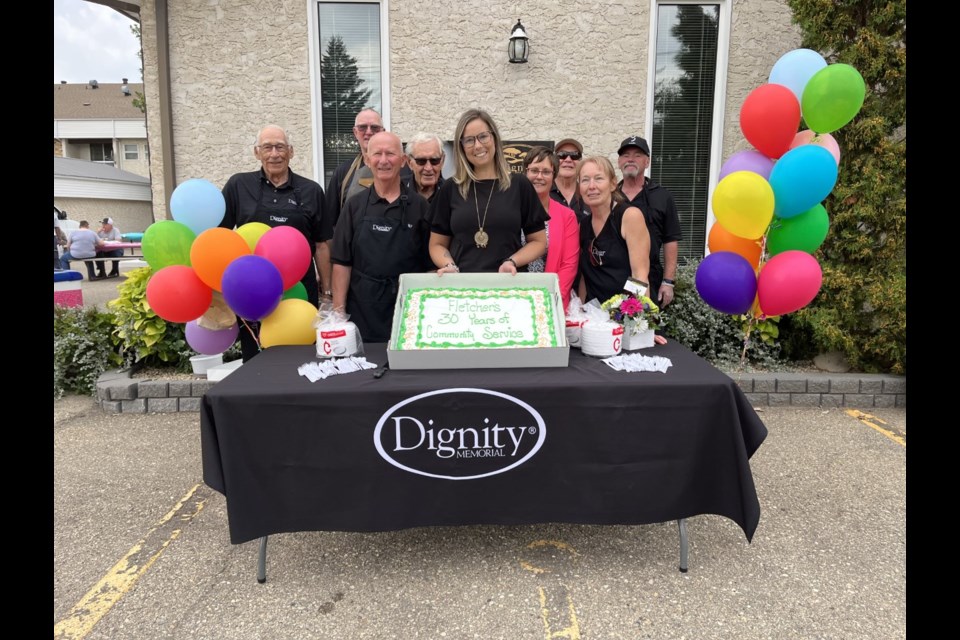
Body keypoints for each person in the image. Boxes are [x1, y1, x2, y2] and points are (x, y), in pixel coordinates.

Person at [221, 124, 333, 361]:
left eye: (280, 147)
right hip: (252, 291)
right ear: (256, 152)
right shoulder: (238, 186)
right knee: (255, 360)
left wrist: (328, 293)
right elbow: (222, 238)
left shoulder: (312, 190)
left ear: (291, 152)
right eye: (267, 147)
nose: (274, 154)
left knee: (302, 357)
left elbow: (322, 244)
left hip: (300, 290)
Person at [331, 132, 432, 342]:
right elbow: (342, 263)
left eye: (391, 154)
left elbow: (429, 266)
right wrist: (339, 315)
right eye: (377, 154)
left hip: (407, 311)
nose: (383, 160)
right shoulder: (354, 206)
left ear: (404, 161)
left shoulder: (420, 207)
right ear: (367, 160)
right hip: (362, 310)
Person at [429, 108, 547, 275]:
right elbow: (436, 244)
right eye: (469, 140)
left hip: (508, 286)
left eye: (483, 136)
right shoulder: (450, 188)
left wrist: (512, 261)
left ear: (494, 138)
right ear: (461, 147)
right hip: (463, 287)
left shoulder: (520, 185)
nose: (478, 145)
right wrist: (449, 265)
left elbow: (539, 242)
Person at [577, 156, 665, 342]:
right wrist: (579, 313)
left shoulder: (628, 216)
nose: (591, 186)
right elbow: (586, 276)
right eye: (585, 180)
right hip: (595, 323)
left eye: (598, 178)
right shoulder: (583, 225)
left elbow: (640, 274)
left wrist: (639, 324)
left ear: (612, 184)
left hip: (623, 320)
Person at [615, 136, 682, 307]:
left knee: (644, 327)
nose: (630, 159)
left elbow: (670, 240)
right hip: (612, 276)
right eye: (625, 155)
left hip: (649, 277)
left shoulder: (662, 197)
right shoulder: (610, 196)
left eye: (637, 155)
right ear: (619, 162)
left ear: (647, 161)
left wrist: (668, 281)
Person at [325, 109, 413, 227]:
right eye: (362, 127)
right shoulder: (342, 172)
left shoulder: (404, 169)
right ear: (355, 132)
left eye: (375, 128)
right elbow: (330, 222)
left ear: (383, 131)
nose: (368, 132)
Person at [521, 146, 580, 312]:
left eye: (546, 172)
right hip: (515, 297)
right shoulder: (511, 211)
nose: (539, 176)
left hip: (551, 300)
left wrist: (552, 299)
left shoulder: (566, 216)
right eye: (534, 170)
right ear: (526, 172)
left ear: (553, 176)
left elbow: (569, 264)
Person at [550, 137, 587, 217]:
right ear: (554, 160)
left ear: (580, 161)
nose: (568, 159)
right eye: (562, 155)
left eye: (575, 155)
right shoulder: (543, 193)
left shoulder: (588, 192)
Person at [404, 132, 446, 204]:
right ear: (409, 162)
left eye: (434, 160)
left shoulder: (452, 193)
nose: (428, 168)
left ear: (442, 161)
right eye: (421, 161)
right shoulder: (397, 192)